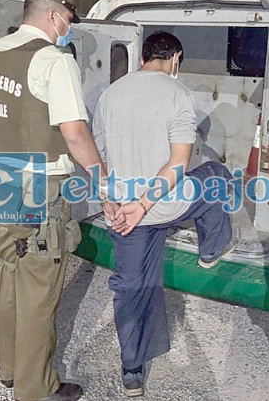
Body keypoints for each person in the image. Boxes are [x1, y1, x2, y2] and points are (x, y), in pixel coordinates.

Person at [0, 0, 119, 401]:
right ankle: (34, 389)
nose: (69, 25)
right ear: (54, 14)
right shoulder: (53, 60)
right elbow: (74, 131)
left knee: (11, 271)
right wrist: (103, 180)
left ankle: (10, 369)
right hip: (39, 185)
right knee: (40, 289)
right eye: (69, 17)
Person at [92, 31, 234, 397]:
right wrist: (145, 205)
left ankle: (132, 370)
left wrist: (108, 199)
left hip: (124, 211)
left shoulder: (110, 95)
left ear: (142, 56)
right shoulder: (177, 94)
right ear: (176, 58)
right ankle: (211, 250)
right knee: (216, 175)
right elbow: (180, 163)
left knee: (131, 286)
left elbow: (99, 158)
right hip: (165, 204)